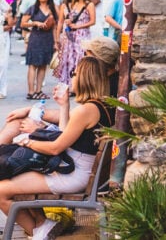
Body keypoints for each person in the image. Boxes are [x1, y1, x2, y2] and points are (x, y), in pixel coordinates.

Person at [0, 55, 114, 238]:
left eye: (74, 74)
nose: (71, 78)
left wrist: (26, 141)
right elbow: (64, 135)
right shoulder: (101, 107)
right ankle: (42, 226)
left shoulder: (86, 111)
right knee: (15, 175)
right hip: (77, 170)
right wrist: (63, 106)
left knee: (1, 190)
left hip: (73, 176)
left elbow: (55, 148)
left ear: (84, 78)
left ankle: (40, 231)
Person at [0, 37, 119, 147]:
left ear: (97, 62)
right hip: (73, 145)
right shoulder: (107, 84)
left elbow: (61, 144)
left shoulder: (101, 94)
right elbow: (75, 120)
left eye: (86, 56)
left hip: (71, 152)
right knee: (21, 121)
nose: (82, 60)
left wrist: (39, 131)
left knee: (20, 124)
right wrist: (33, 111)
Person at [54, 0, 96, 87]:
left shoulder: (89, 5)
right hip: (68, 36)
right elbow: (60, 21)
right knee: (68, 59)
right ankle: (68, 83)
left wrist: (78, 26)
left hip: (82, 36)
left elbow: (92, 21)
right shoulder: (71, 5)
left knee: (80, 58)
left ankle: (79, 84)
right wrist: (57, 37)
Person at [20, 0, 57, 100]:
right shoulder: (33, 8)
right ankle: (31, 92)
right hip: (35, 38)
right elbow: (22, 23)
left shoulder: (53, 9)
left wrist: (56, 42)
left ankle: (39, 90)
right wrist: (35, 23)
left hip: (48, 39)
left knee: (43, 66)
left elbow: (55, 27)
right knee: (32, 65)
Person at [0, 0, 12, 99]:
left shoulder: (2, 1)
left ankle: (2, 90)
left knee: (2, 62)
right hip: (2, 33)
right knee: (2, 62)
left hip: (2, 34)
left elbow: (9, 11)